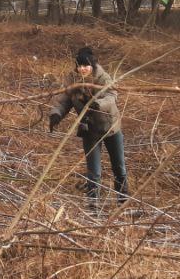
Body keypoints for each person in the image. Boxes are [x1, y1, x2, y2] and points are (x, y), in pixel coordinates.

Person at [49, 46, 127, 211]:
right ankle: (93, 208)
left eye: (86, 65)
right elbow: (63, 100)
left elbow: (112, 96)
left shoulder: (103, 78)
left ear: (92, 65)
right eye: (79, 65)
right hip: (89, 130)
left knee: (119, 167)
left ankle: (123, 202)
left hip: (111, 127)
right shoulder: (72, 80)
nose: (82, 68)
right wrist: (55, 114)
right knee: (94, 172)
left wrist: (97, 104)